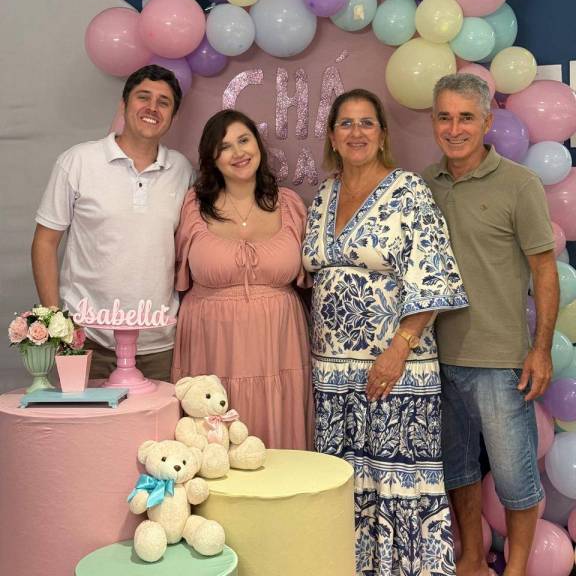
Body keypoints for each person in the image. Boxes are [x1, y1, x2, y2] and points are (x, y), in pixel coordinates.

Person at [302, 88, 468, 576]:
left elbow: (432, 277)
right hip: (333, 377)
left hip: (396, 369)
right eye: (346, 124)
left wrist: (398, 350)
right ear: (332, 136)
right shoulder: (324, 195)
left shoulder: (408, 191)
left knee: (399, 486)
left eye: (366, 123)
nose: (356, 132)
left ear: (382, 134)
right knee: (346, 485)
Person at [423, 73, 559, 576]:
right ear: (433, 122)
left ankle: (516, 569)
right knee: (457, 469)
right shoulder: (423, 185)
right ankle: (472, 560)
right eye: (444, 117)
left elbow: (544, 270)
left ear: (486, 122)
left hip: (500, 361)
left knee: (514, 478)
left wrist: (540, 349)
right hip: (434, 359)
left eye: (465, 117)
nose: (454, 128)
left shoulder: (519, 184)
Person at [31, 64, 193, 381]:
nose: (152, 108)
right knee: (84, 416)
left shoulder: (182, 170)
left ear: (173, 117)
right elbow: (44, 242)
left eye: (163, 102)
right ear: (123, 104)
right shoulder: (77, 162)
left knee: (159, 416)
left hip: (159, 343)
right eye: (143, 97)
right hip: (86, 340)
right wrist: (57, 324)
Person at [171, 109, 314, 449]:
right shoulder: (193, 206)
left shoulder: (290, 204)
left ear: (258, 145)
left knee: (279, 447)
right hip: (212, 343)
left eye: (243, 140)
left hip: (279, 345)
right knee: (214, 445)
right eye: (224, 147)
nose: (238, 152)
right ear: (212, 158)